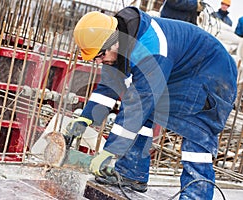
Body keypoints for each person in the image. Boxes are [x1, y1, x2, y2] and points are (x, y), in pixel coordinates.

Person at [66, 6, 237, 199]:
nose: (98, 62)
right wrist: (85, 119)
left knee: (197, 131)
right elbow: (107, 88)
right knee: (146, 109)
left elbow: (138, 105)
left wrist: (110, 151)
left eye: (99, 56)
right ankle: (131, 174)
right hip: (180, 71)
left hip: (213, 73)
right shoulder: (118, 44)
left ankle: (196, 195)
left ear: (113, 43)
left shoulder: (151, 47)